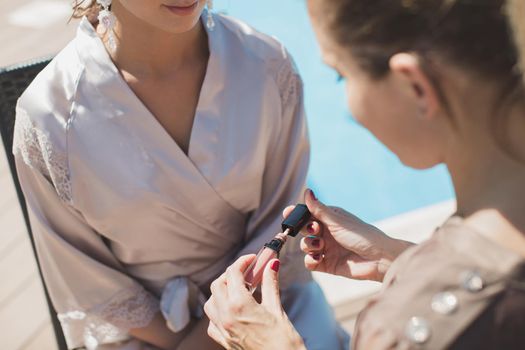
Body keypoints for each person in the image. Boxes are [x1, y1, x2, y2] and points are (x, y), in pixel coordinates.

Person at [12, 0, 347, 349]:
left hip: (275, 309)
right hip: (147, 335)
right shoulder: (47, 118)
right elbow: (86, 278)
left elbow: (283, 225)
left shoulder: (267, 65)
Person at [204, 0, 525, 348]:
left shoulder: (409, 328)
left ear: (414, 86)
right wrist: (398, 259)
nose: (349, 110)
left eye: (343, 74)